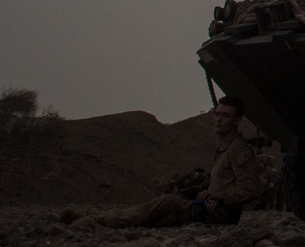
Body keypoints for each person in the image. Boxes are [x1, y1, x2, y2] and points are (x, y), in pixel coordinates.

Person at [98, 96, 261, 228]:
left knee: (168, 202)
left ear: (237, 121)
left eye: (225, 115)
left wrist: (218, 196)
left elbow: (250, 189)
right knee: (155, 218)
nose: (218, 119)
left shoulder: (239, 150)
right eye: (217, 114)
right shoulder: (224, 149)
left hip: (219, 217)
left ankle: (108, 220)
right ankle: (106, 219)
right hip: (205, 211)